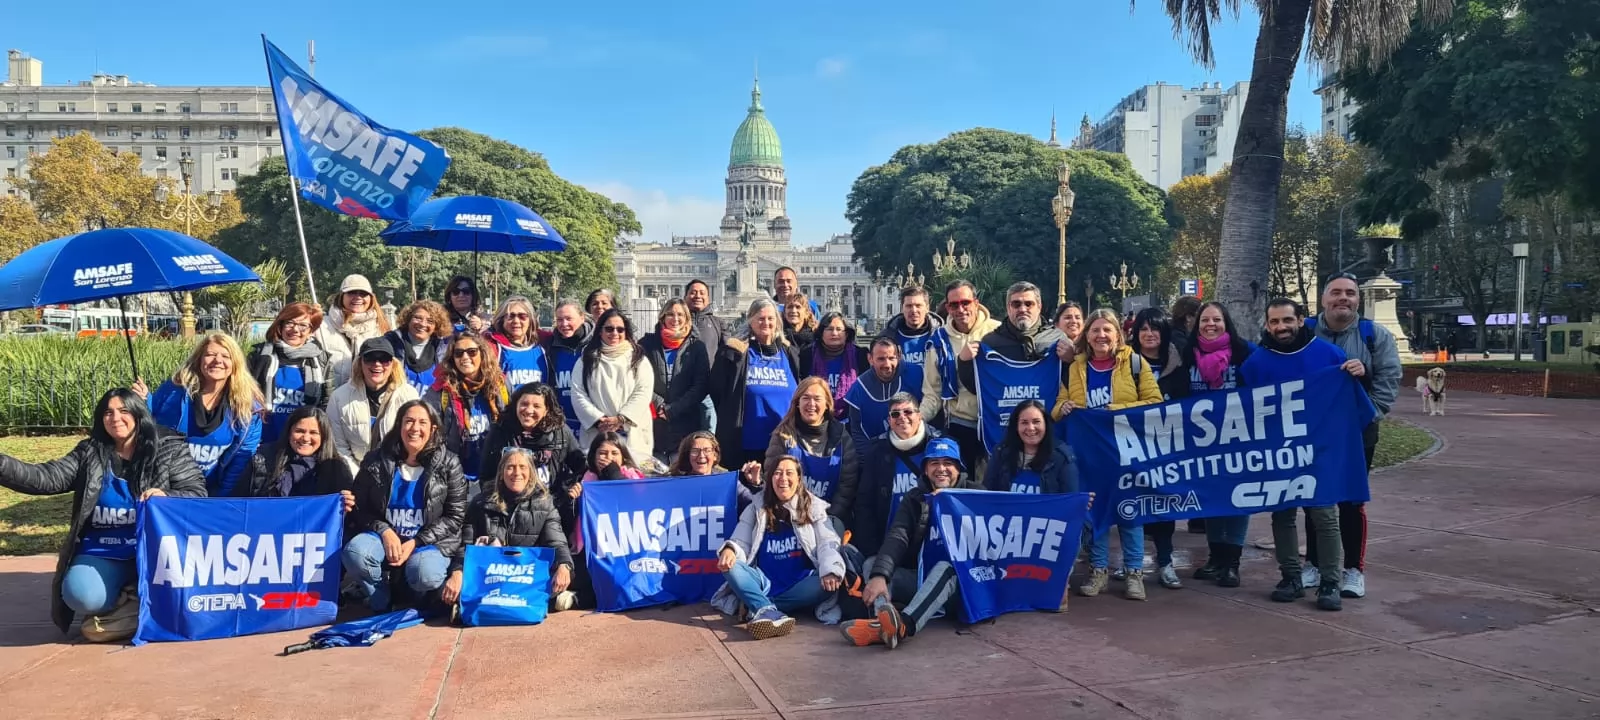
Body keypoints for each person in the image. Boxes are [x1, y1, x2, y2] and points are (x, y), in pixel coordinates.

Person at [0, 389, 206, 639]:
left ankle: (134, 601)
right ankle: (130, 597)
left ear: (139, 414)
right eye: (108, 412)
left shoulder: (169, 448)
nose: (115, 418)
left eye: (124, 411)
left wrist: (168, 496)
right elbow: (45, 478)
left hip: (155, 551)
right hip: (103, 550)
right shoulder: (90, 451)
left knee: (185, 596)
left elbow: (196, 493)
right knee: (82, 596)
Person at [1240, 297, 1364, 611]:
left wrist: (1358, 372)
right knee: (1282, 516)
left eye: (1287, 320)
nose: (1281, 327)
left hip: (1318, 452)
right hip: (1277, 453)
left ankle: (1330, 582)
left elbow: (1353, 407)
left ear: (1300, 320)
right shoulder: (1255, 365)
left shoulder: (1330, 355)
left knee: (1325, 516)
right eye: (1274, 322)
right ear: (1267, 325)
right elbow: (1242, 413)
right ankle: (1291, 577)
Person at [1304, 272, 1401, 600]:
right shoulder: (1304, 331)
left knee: (1350, 501)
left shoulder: (1374, 336)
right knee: (1312, 498)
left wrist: (1367, 410)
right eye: (1336, 293)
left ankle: (1353, 570)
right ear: (1324, 299)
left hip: (1356, 434)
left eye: (1349, 293)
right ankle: (1313, 564)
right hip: (1311, 433)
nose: (1343, 298)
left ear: (1358, 300)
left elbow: (1389, 379)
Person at [1053, 309, 1162, 600]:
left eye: (1107, 330)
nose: (1101, 335)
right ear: (1086, 335)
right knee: (1095, 513)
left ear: (1118, 333)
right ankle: (1098, 570)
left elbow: (1155, 403)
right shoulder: (1075, 367)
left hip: (1124, 453)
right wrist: (1059, 409)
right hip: (1089, 455)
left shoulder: (1135, 363)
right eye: (1095, 330)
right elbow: (1062, 398)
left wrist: (1112, 413)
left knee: (1130, 512)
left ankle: (1134, 573)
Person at [839, 437, 979, 649]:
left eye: (948, 463)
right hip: (921, 578)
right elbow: (898, 536)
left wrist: (950, 498)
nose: (941, 469)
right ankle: (883, 623)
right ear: (925, 469)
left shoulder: (976, 493)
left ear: (959, 468)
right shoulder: (915, 498)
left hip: (964, 588)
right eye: (934, 463)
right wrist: (879, 575)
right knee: (872, 565)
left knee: (946, 569)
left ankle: (904, 625)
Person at [1162, 302, 1255, 590]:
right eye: (1205, 320)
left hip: (1238, 440)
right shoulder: (1187, 355)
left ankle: (1232, 563)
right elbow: (1174, 390)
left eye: (1216, 319)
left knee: (1239, 499)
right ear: (1195, 323)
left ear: (1226, 322)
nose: (1210, 324)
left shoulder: (1245, 353)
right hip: (1201, 444)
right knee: (1211, 497)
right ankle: (1215, 557)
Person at [343, 401, 469, 612]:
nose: (415, 428)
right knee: (356, 554)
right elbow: (359, 508)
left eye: (422, 422)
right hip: (383, 538)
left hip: (428, 541)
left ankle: (415, 598)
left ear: (433, 428)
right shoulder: (376, 460)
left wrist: (416, 541)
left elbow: (455, 517)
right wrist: (384, 531)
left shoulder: (449, 463)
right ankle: (381, 598)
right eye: (409, 421)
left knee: (424, 574)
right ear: (399, 425)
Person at [712, 455, 847, 639]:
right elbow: (740, 540)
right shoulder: (756, 507)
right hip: (764, 581)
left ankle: (759, 606)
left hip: (800, 583)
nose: (783, 478)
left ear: (799, 479)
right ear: (770, 479)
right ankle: (766, 609)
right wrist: (730, 550)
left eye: (789, 473)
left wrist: (831, 570)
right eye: (777, 473)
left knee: (824, 585)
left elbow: (828, 542)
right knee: (730, 565)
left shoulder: (813, 506)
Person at [441, 447, 578, 613]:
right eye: (510, 467)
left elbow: (556, 541)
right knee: (447, 588)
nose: (516, 473)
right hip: (490, 577)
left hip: (525, 577)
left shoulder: (545, 503)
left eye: (522, 467)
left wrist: (564, 566)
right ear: (501, 472)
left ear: (531, 472)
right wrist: (457, 572)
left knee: (566, 576)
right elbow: (466, 545)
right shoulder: (480, 503)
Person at [145, 332, 263, 497]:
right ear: (199, 360)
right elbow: (149, 427)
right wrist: (144, 402)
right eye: (210, 354)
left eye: (225, 356)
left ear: (235, 364)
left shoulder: (248, 408)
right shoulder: (173, 392)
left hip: (214, 490)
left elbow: (240, 461)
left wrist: (221, 498)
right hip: (169, 491)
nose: (218, 361)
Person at [712, 298, 801, 469]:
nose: (766, 323)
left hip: (785, 442)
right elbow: (717, 389)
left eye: (770, 318)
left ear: (778, 321)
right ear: (750, 321)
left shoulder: (790, 353)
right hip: (746, 444)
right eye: (760, 318)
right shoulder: (735, 352)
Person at [923, 280, 1001, 474]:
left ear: (976, 303)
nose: (960, 309)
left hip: (997, 421)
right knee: (963, 484)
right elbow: (933, 394)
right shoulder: (938, 341)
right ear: (947, 307)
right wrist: (916, 418)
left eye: (965, 302)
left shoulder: (999, 332)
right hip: (960, 422)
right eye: (954, 305)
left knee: (995, 484)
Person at [562, 432, 647, 609]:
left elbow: (631, 499)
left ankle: (580, 600)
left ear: (623, 456)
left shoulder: (635, 479)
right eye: (602, 453)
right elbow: (567, 520)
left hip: (623, 549)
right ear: (593, 456)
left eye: (614, 453)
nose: (608, 458)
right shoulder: (582, 479)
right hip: (589, 548)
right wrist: (572, 501)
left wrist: (611, 472)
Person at [851, 392, 938, 559]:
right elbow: (864, 504)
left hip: (931, 544)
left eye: (908, 412)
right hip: (889, 548)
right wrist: (872, 553)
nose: (902, 417)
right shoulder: (876, 451)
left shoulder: (939, 445)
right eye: (895, 414)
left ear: (919, 416)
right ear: (889, 421)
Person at [764, 377, 859, 524]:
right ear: (797, 403)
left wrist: (829, 518)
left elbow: (847, 487)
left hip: (830, 518)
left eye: (817, 399)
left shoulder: (842, 436)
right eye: (806, 398)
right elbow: (772, 479)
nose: (811, 404)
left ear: (827, 404)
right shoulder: (782, 435)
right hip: (790, 518)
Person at [571, 309, 656, 466]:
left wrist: (621, 419)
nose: (614, 333)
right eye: (609, 329)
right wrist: (598, 420)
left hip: (632, 433)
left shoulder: (638, 359)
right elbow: (578, 394)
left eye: (620, 329)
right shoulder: (586, 359)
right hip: (597, 433)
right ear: (600, 331)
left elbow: (643, 392)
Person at [329, 337, 423, 473]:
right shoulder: (339, 397)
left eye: (384, 359)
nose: (377, 364)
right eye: (370, 358)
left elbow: (415, 439)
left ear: (393, 364)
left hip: (397, 473)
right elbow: (338, 447)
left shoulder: (409, 395)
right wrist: (358, 478)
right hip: (356, 474)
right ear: (360, 362)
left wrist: (398, 475)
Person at [477, 383, 586, 496]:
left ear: (546, 410)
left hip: (552, 505)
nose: (529, 410)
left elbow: (581, 467)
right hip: (511, 506)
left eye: (536, 406)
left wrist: (569, 490)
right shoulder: (499, 432)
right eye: (524, 404)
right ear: (516, 405)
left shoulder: (560, 431)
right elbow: (487, 477)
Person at [958, 281, 1067, 393]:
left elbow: (1074, 383)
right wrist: (964, 362)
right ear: (1008, 307)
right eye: (1016, 304)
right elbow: (978, 388)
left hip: (1047, 410)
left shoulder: (1057, 339)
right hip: (1007, 410)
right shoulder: (991, 342)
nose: (1022, 309)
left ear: (1039, 307)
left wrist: (1070, 360)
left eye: (1029, 304)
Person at [435, 332, 511, 491]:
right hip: (457, 475)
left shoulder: (500, 384)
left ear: (482, 353)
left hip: (495, 473)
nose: (465, 357)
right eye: (458, 353)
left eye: (471, 352)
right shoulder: (441, 389)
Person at [248, 302, 331, 445]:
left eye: (303, 325)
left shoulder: (321, 361)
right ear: (280, 325)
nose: (295, 329)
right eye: (290, 323)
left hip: (303, 443)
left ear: (311, 330)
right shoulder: (259, 356)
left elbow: (326, 404)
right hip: (262, 440)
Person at [639, 300, 711, 462]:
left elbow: (701, 385)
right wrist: (659, 405)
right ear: (662, 317)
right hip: (653, 425)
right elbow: (638, 379)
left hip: (686, 425)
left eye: (680, 314)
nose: (675, 318)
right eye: (670, 314)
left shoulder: (697, 347)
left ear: (687, 319)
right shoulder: (647, 344)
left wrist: (673, 409)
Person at [247, 406, 356, 505]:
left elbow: (352, 519)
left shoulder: (337, 468)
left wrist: (346, 506)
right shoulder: (263, 459)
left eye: (313, 433)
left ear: (324, 437)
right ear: (289, 432)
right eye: (299, 431)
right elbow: (239, 503)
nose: (305, 438)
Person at [982, 400, 1078, 495]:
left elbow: (1070, 500)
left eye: (1036, 422)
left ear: (1046, 425)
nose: (1031, 428)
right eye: (1024, 422)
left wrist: (1081, 503)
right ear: (1016, 426)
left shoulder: (1062, 458)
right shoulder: (1001, 453)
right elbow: (986, 494)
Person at [843, 337, 920, 453]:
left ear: (899, 356)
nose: (887, 364)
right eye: (881, 359)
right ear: (870, 359)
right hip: (878, 455)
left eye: (891, 358)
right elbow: (858, 433)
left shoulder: (916, 375)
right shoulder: (859, 388)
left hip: (915, 448)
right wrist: (867, 464)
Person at [315, 274, 392, 387]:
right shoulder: (321, 326)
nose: (358, 297)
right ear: (341, 296)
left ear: (371, 298)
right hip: (330, 399)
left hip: (366, 399)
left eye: (363, 294)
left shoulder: (382, 329)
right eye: (352, 293)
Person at [669, 430, 764, 513]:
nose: (701, 455)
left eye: (707, 450)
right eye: (695, 451)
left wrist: (755, 485)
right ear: (687, 456)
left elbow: (755, 506)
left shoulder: (727, 482)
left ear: (715, 455)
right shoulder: (675, 484)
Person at [878, 285, 941, 399]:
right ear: (902, 308)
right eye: (909, 306)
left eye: (918, 305)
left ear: (927, 308)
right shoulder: (886, 338)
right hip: (899, 408)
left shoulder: (941, 336)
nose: (914, 310)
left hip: (935, 405)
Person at [799, 312, 865, 412]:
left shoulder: (860, 355)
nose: (834, 333)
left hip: (850, 416)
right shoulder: (807, 355)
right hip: (816, 414)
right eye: (829, 329)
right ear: (821, 333)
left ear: (846, 334)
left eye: (839, 329)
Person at [385, 300, 452, 398]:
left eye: (430, 321)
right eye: (417, 318)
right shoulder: (391, 342)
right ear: (408, 319)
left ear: (436, 326)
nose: (423, 324)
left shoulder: (443, 350)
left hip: (431, 410)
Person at [547, 301, 593, 434]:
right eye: (560, 320)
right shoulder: (550, 347)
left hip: (593, 422)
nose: (564, 324)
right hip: (563, 424)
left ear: (582, 318)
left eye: (569, 318)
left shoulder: (596, 345)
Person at [684, 279, 724, 433]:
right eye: (693, 292)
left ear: (708, 297)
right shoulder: (677, 321)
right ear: (685, 296)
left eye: (702, 293)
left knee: (709, 432)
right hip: (681, 388)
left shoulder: (717, 323)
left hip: (709, 389)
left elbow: (726, 352)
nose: (697, 296)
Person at [486, 296, 548, 392]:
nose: (516, 321)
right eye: (510, 316)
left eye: (522, 316)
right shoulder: (493, 348)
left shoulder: (542, 348)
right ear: (502, 320)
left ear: (530, 320)